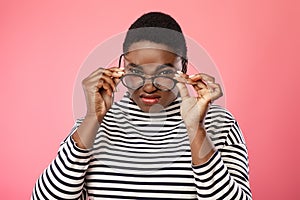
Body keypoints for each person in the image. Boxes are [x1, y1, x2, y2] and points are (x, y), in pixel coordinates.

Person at [31, 12, 252, 199]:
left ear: (183, 67)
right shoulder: (91, 126)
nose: (148, 87)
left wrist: (196, 129)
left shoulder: (220, 125)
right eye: (135, 72)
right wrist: (92, 119)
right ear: (122, 67)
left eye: (164, 73)